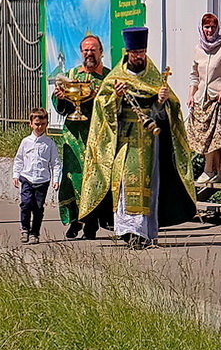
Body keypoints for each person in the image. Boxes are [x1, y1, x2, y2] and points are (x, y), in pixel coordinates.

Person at [79, 27, 196, 249]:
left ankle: (145, 232)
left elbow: (167, 112)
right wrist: (117, 96)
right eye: (135, 53)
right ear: (127, 52)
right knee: (124, 183)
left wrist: (162, 101)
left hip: (151, 143)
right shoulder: (116, 78)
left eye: (142, 51)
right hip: (124, 140)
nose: (139, 56)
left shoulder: (153, 76)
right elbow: (102, 110)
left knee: (149, 186)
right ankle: (128, 230)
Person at [51, 34, 111, 239]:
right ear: (81, 52)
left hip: (98, 136)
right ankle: (74, 221)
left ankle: (91, 224)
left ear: (101, 52)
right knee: (73, 178)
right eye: (86, 50)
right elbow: (63, 108)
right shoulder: (73, 74)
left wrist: (97, 98)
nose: (89, 53)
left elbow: (113, 107)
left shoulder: (108, 77)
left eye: (93, 49)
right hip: (74, 136)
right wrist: (61, 97)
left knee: (94, 179)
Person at [187, 13, 221, 183]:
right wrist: (191, 94)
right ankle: (211, 170)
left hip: (217, 99)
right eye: (207, 27)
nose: (210, 30)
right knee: (204, 136)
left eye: (213, 27)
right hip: (201, 99)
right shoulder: (198, 49)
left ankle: (214, 171)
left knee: (216, 137)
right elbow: (194, 75)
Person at [12, 108, 61, 244]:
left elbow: (55, 163)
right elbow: (19, 159)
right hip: (27, 178)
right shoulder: (26, 141)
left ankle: (35, 233)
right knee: (26, 204)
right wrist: (16, 175)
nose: (40, 127)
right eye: (37, 124)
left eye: (43, 124)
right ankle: (25, 229)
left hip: (42, 180)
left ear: (47, 124)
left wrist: (56, 179)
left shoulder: (49, 143)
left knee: (38, 208)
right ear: (31, 124)